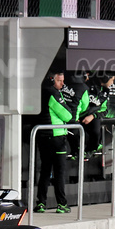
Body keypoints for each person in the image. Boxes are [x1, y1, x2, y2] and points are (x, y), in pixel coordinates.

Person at [34, 71, 74, 213]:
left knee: (45, 171)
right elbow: (68, 115)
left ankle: (41, 203)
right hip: (56, 137)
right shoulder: (53, 93)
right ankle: (61, 204)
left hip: (42, 137)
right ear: (52, 81)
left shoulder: (39, 92)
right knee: (59, 172)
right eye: (59, 81)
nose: (62, 84)